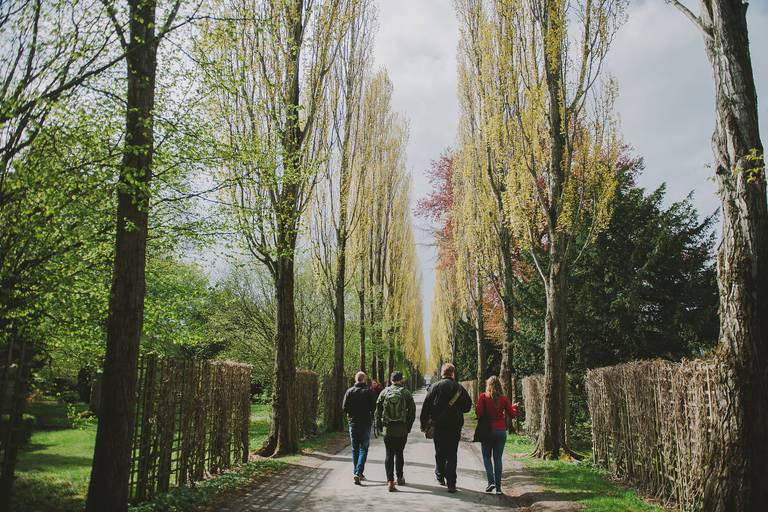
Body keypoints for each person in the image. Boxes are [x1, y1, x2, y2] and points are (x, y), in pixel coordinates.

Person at [420, 363, 472, 493]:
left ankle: (440, 476)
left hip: (439, 426)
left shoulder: (435, 387)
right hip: (454, 426)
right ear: (453, 374)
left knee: (440, 451)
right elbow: (467, 407)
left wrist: (423, 424)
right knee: (452, 453)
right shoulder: (459, 388)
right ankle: (452, 483)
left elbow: (426, 407)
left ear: (442, 373)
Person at [476, 375, 517, 495]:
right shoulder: (504, 399)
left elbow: (478, 412)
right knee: (498, 458)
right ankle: (499, 487)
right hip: (501, 431)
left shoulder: (483, 397)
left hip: (488, 431)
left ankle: (490, 481)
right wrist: (513, 408)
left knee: (486, 457)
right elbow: (512, 415)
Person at [376, 371, 416, 492]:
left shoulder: (384, 392)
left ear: (391, 380)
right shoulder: (406, 393)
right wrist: (408, 427)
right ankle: (399, 477)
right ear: (401, 380)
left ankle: (390, 481)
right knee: (399, 453)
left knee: (389, 453)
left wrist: (380, 427)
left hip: (388, 429)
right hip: (401, 429)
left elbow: (377, 411)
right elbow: (412, 412)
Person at [342, 371, 376, 485]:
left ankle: (356, 471)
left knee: (355, 448)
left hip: (353, 423)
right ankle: (359, 471)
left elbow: (345, 408)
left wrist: (352, 412)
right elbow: (373, 407)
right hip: (365, 423)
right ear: (365, 380)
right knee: (364, 448)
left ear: (355, 380)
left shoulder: (349, 391)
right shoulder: (369, 392)